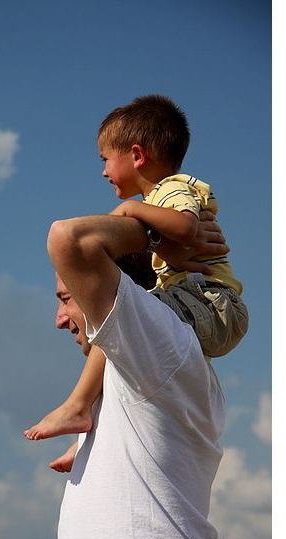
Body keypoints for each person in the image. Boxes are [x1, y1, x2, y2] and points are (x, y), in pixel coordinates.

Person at [24, 95, 248, 442]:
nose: (103, 171)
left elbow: (187, 227)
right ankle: (87, 428)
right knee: (120, 328)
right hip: (199, 300)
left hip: (212, 301)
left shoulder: (174, 188)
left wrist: (130, 210)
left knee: (119, 315)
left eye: (105, 160)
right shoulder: (157, 201)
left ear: (138, 155)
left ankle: (78, 405)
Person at [45, 209, 231, 539]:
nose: (59, 320)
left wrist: (163, 241)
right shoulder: (135, 368)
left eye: (67, 298)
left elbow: (71, 239)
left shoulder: (158, 344)